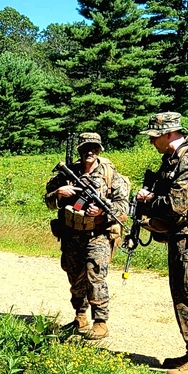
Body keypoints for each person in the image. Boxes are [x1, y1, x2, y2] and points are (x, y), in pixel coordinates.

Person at [135, 113, 188, 374]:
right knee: (181, 294)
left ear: (170, 134)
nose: (151, 142)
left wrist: (149, 201)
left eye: (154, 137)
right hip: (182, 237)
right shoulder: (174, 160)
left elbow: (176, 205)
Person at [45, 132, 130, 340]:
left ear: (99, 149)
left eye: (93, 148)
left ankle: (100, 322)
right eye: (85, 148)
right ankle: (80, 316)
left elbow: (123, 207)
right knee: (75, 276)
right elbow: (47, 200)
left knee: (95, 275)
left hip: (98, 234)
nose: (89, 152)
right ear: (79, 150)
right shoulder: (68, 174)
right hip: (71, 234)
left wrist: (102, 211)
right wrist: (58, 193)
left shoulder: (110, 175)